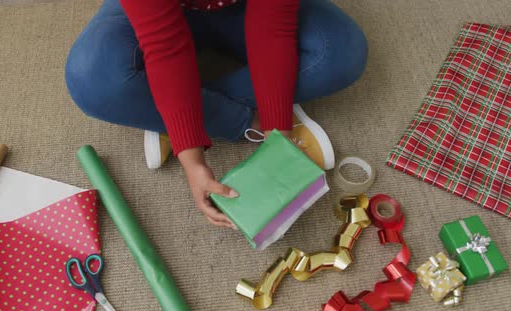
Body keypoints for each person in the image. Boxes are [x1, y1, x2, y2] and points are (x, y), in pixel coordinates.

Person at [65, 0, 368, 229]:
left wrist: (278, 127)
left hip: (243, 9)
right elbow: (164, 46)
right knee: (91, 79)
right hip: (153, 16)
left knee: (342, 52)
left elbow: (273, 27)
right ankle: (188, 115)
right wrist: (191, 157)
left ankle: (160, 110)